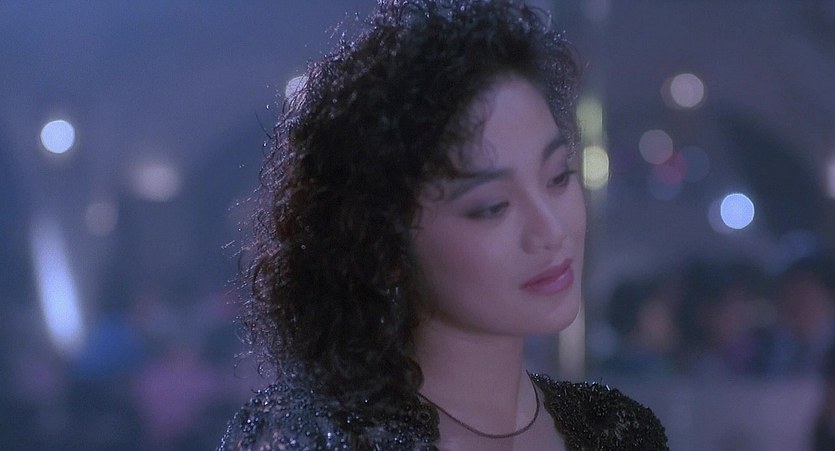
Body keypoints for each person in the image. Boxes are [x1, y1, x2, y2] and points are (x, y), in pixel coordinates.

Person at [220, 1, 668, 449]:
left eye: (557, 177)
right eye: (492, 207)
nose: (551, 230)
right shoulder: (310, 438)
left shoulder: (618, 431)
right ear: (382, 241)